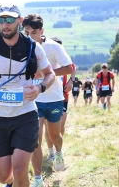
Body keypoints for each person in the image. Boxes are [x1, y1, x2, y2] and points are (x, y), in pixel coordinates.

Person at [0, 5, 55, 187]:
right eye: (1, 20)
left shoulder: (33, 47)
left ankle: (20, 179)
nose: (5, 24)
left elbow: (50, 74)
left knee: (19, 169)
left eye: (10, 19)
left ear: (20, 21)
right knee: (3, 176)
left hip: (26, 115)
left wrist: (40, 89)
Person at [22, 14, 74, 187]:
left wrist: (44, 73)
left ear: (42, 31)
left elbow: (69, 67)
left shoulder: (53, 47)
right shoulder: (21, 47)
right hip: (33, 100)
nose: (30, 36)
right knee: (34, 140)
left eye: (34, 32)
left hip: (53, 98)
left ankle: (58, 152)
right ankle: (38, 179)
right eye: (27, 32)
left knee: (54, 135)